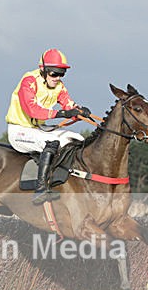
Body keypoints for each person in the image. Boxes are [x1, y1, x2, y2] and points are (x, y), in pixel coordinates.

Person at [5, 48, 91, 204]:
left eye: (61, 74)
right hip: (19, 130)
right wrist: (61, 114)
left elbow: (68, 105)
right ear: (43, 70)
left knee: (78, 139)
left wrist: (79, 111)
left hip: (38, 129)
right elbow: (32, 110)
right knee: (52, 143)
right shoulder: (29, 81)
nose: (57, 78)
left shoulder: (59, 86)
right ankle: (40, 189)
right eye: (54, 73)